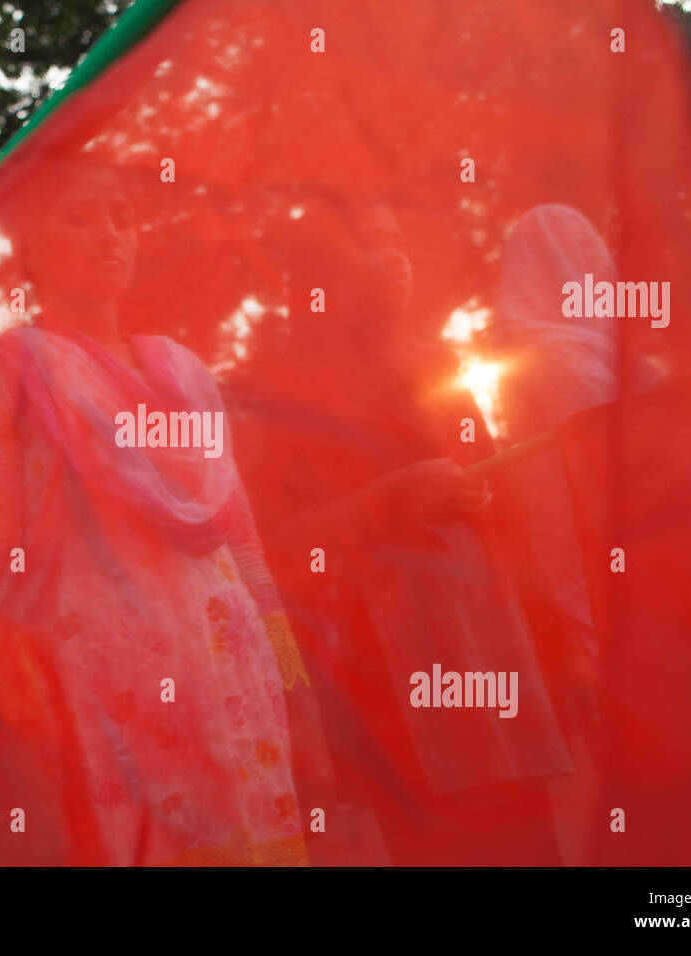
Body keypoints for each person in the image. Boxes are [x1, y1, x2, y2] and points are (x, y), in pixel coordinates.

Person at [0, 159, 312, 865]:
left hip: (231, 659)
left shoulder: (185, 371)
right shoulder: (6, 369)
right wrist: (19, 691)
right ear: (31, 247)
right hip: (100, 671)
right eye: (78, 217)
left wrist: (284, 650)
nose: (108, 236)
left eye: (121, 218)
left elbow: (237, 525)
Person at [223, 194, 575, 864]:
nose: (396, 261)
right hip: (392, 682)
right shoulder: (279, 390)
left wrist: (563, 651)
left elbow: (513, 527)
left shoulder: (439, 365)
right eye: (371, 245)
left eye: (398, 242)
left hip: (497, 661)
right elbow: (278, 548)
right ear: (324, 273)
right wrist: (396, 497)